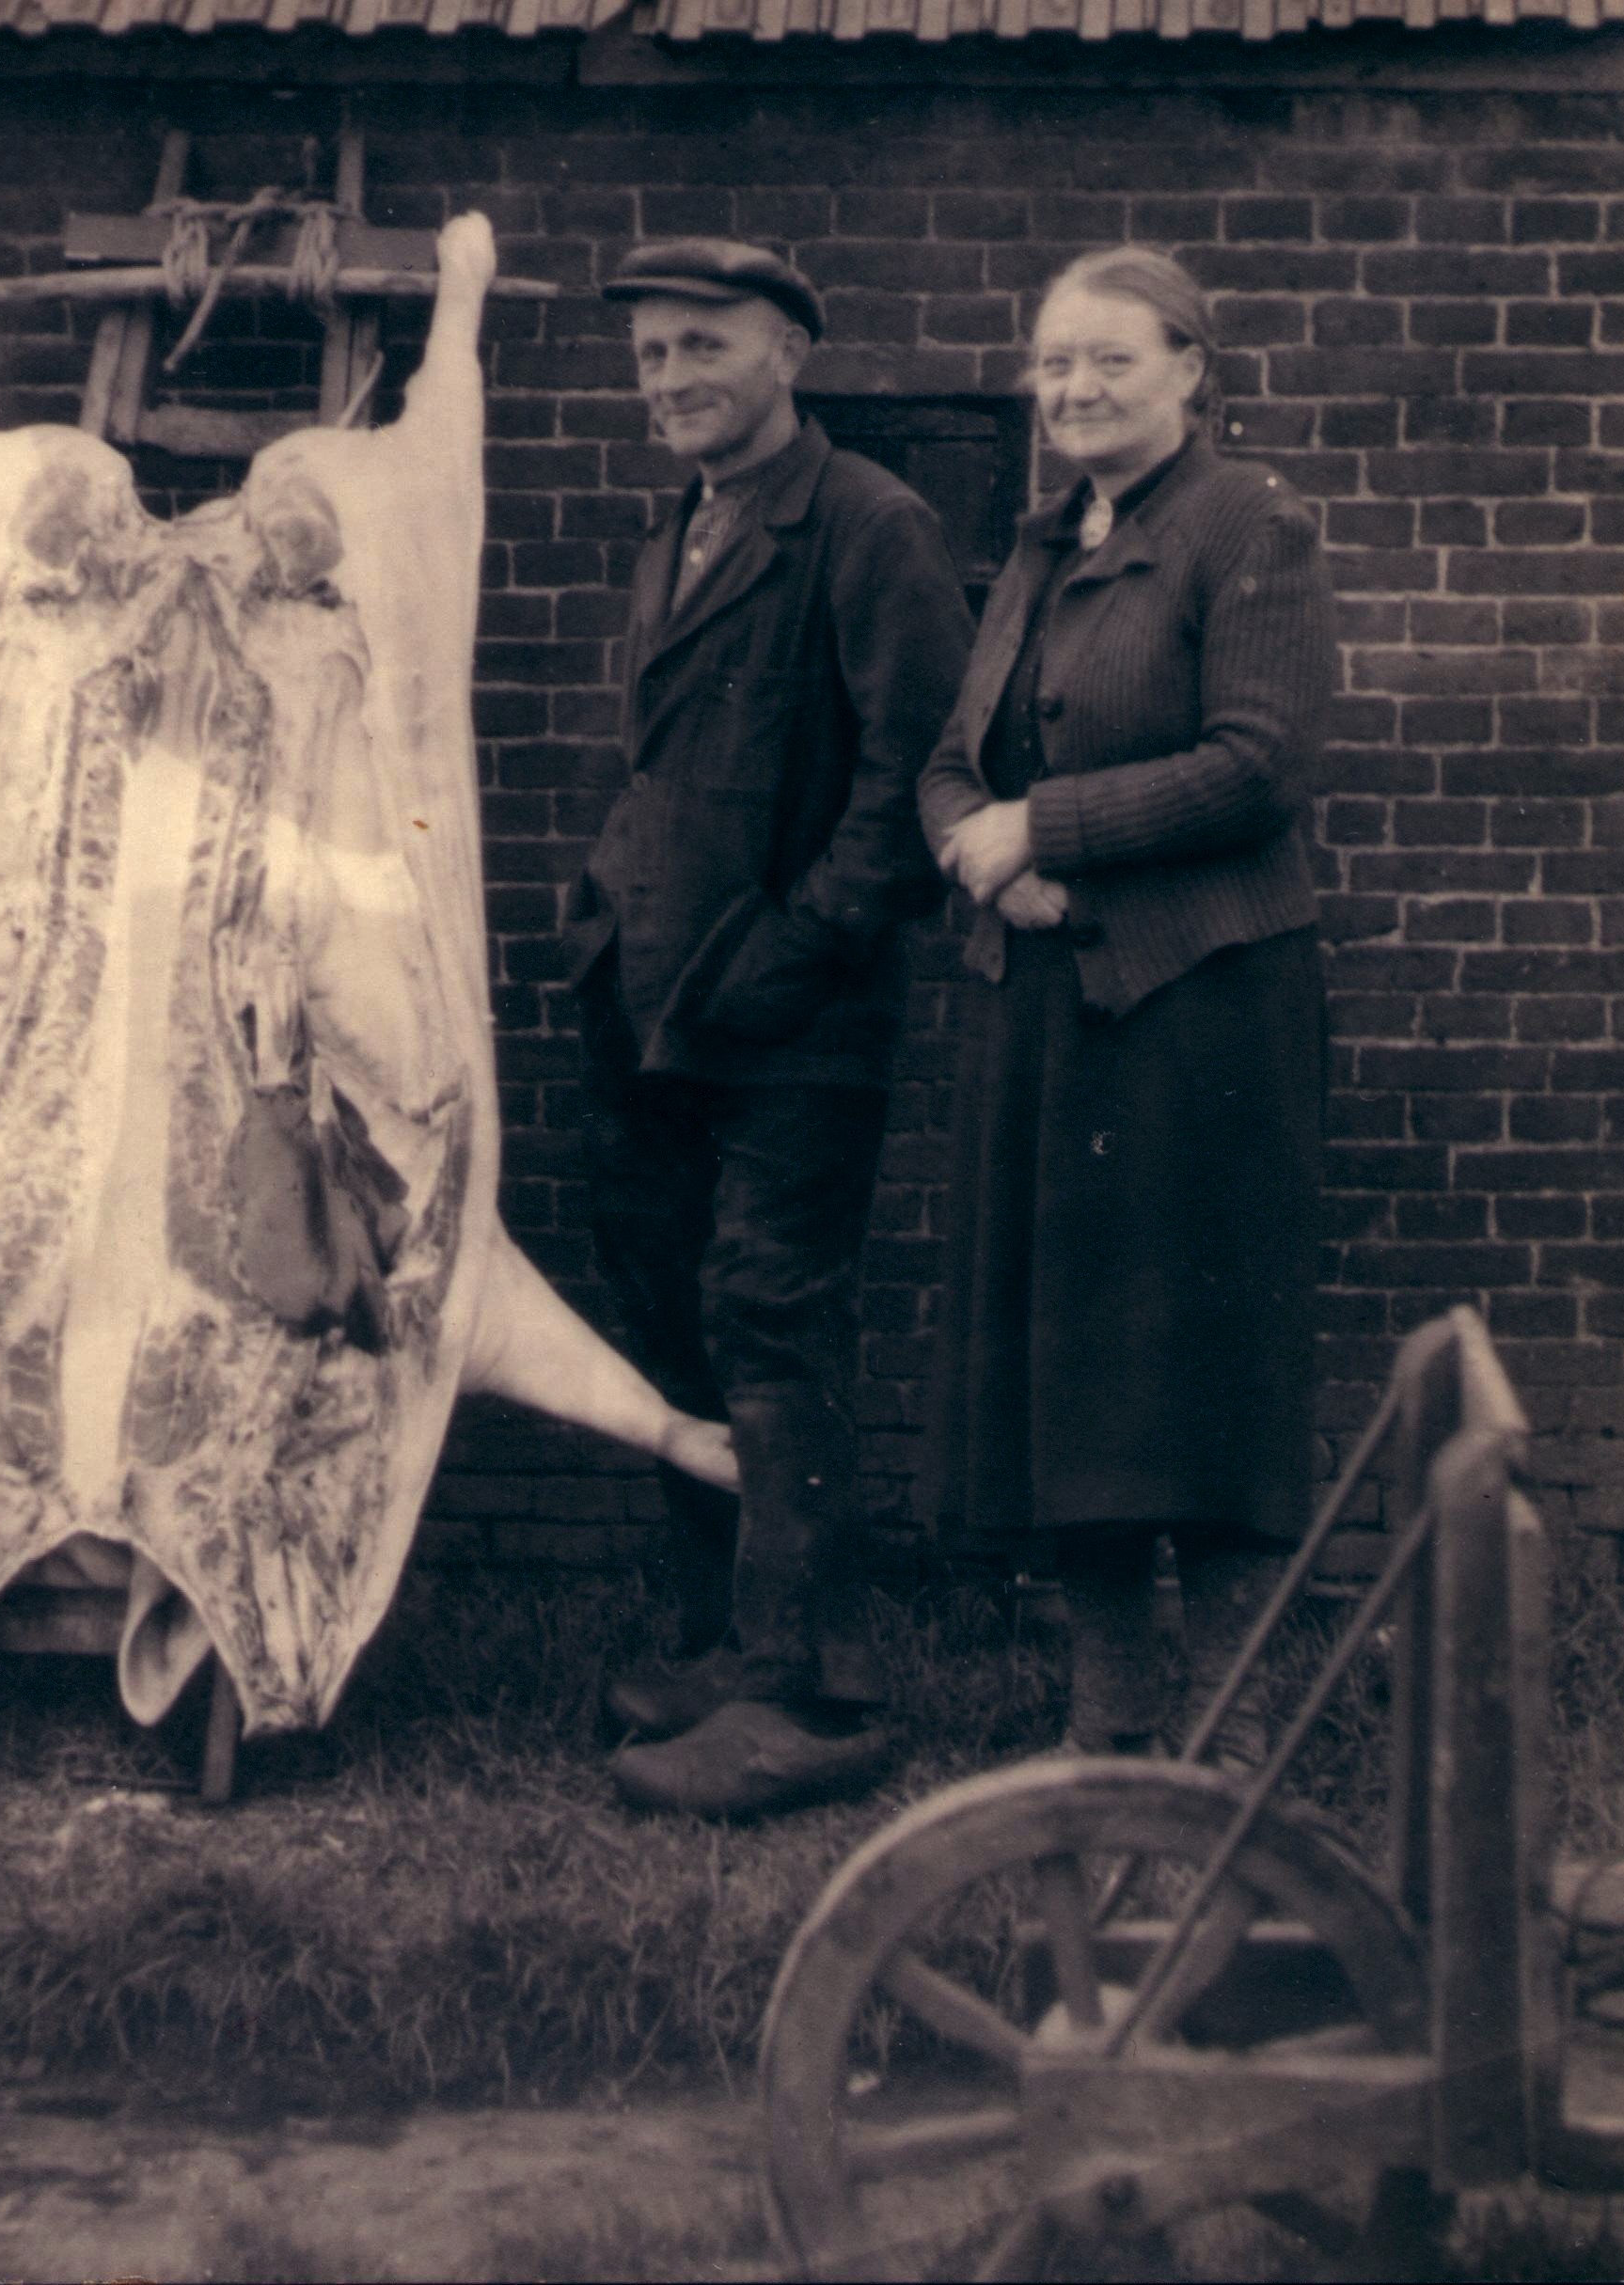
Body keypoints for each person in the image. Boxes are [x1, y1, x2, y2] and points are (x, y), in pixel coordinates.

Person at [560, 240, 976, 1820]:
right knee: (668, 1321)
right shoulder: (678, 522)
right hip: (649, 997)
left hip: (786, 1014)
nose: (666, 379)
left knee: (766, 1318)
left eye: (701, 347)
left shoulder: (865, 522)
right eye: (649, 354)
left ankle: (812, 1687)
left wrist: (799, 946)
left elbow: (912, 770)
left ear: (788, 350)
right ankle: (723, 1646)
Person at [919, 246, 1333, 1767]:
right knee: (1069, 1391)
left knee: (1200, 1391)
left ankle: (1233, 1755)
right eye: (1050, 365)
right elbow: (949, 762)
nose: (1071, 390)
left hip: (1199, 1026)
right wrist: (984, 860)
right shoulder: (1038, 542)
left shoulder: (1248, 528)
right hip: (1042, 1015)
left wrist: (1053, 832)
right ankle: (1109, 1741)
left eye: (1106, 361)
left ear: (1188, 371)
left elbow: (1258, 764)